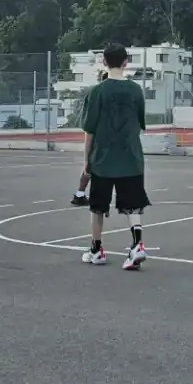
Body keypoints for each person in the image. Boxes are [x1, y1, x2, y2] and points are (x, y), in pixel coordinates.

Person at [80, 43, 150, 270]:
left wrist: (87, 160)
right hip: (131, 156)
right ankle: (137, 244)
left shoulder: (97, 92)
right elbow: (140, 123)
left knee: (98, 206)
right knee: (133, 206)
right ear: (126, 62)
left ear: (104, 62)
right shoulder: (136, 91)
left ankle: (96, 248)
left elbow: (89, 130)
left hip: (103, 158)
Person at [70, 70, 109, 207]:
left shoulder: (97, 96)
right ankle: (86, 195)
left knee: (91, 167)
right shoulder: (98, 97)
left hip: (100, 139)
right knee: (93, 167)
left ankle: (80, 194)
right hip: (101, 140)